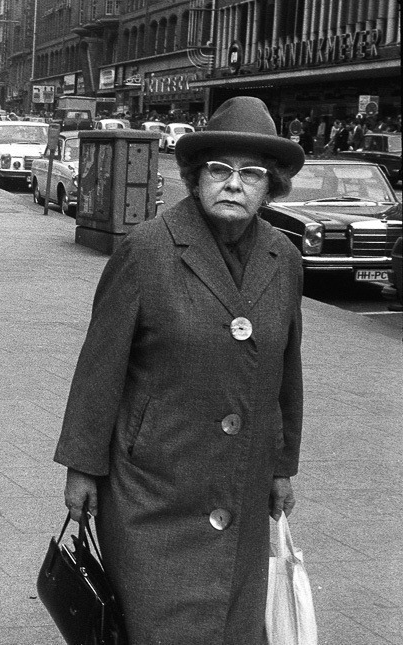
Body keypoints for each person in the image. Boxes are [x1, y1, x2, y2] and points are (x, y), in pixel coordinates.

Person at [55, 96, 306, 644]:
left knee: (232, 627)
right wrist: (81, 466)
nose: (233, 184)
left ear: (271, 188)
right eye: (219, 170)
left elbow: (287, 370)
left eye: (251, 174)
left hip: (239, 483)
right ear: (195, 179)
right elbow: (99, 368)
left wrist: (282, 464)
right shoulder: (147, 250)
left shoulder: (284, 258)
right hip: (154, 489)